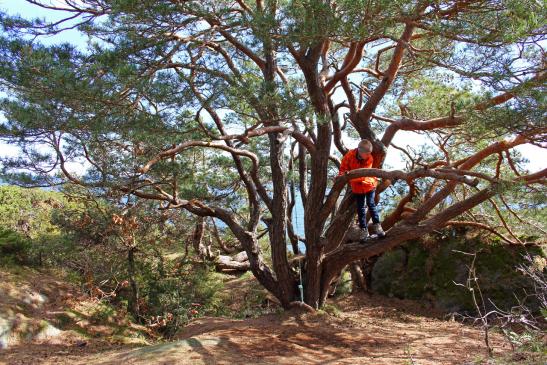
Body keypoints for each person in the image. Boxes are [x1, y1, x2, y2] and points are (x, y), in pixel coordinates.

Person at [338, 139, 386, 241]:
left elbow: (364, 174)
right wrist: (341, 176)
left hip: (369, 184)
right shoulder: (349, 156)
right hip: (357, 187)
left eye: (369, 154)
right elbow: (342, 169)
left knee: (371, 204)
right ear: (360, 151)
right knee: (360, 209)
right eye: (367, 154)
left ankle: (378, 226)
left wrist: (349, 177)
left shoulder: (370, 158)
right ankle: (364, 230)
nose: (369, 155)